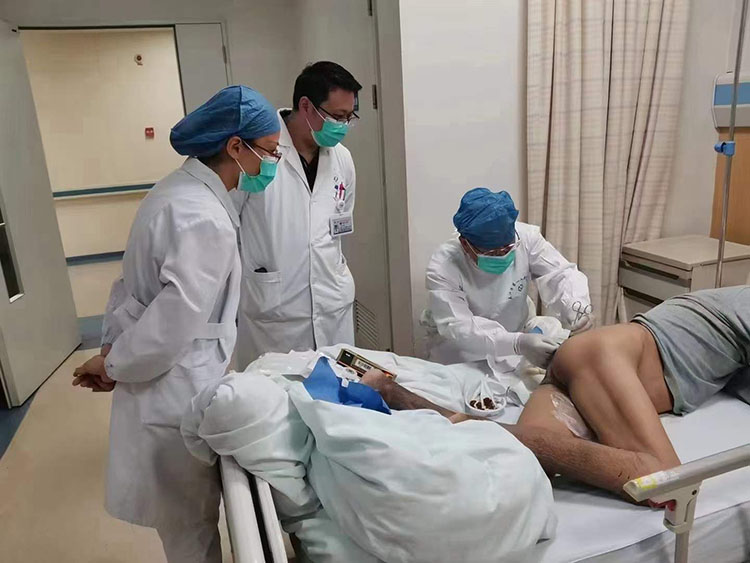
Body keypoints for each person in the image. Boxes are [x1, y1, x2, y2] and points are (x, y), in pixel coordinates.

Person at [71, 85, 281, 563]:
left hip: (163, 376)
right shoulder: (203, 216)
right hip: (175, 385)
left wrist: (112, 353)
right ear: (236, 146)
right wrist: (113, 365)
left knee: (184, 521)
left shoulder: (174, 191)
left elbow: (128, 289)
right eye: (269, 152)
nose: (271, 164)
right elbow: (171, 326)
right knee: (191, 526)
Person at [363, 286, 750, 498]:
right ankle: (431, 407)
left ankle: (414, 434)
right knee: (665, 485)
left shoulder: (727, 305)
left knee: (520, 465)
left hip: (581, 373)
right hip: (602, 358)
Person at [232, 61, 362, 369]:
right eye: (337, 116)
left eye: (349, 117)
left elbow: (341, 218)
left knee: (337, 389)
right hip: (275, 312)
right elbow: (228, 226)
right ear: (305, 106)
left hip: (332, 305)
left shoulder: (342, 159)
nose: (343, 126)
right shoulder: (258, 152)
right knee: (276, 392)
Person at [422, 187, 592, 370]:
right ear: (465, 243)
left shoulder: (526, 238)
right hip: (462, 351)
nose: (502, 256)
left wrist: (577, 308)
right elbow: (459, 327)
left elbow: (560, 274)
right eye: (491, 253)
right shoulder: (444, 265)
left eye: (508, 249)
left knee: (551, 330)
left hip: (518, 336)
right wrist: (516, 343)